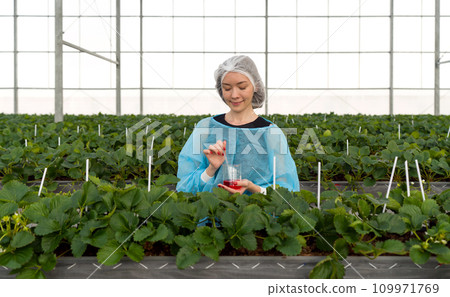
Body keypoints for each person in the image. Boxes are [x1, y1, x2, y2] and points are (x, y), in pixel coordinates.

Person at [176, 55, 300, 195]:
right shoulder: (205, 127)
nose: (234, 95)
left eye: (242, 87)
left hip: (255, 214)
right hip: (210, 215)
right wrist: (211, 169)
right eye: (227, 88)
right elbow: (184, 187)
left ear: (256, 86)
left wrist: (253, 188)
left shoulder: (271, 133)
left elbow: (287, 190)